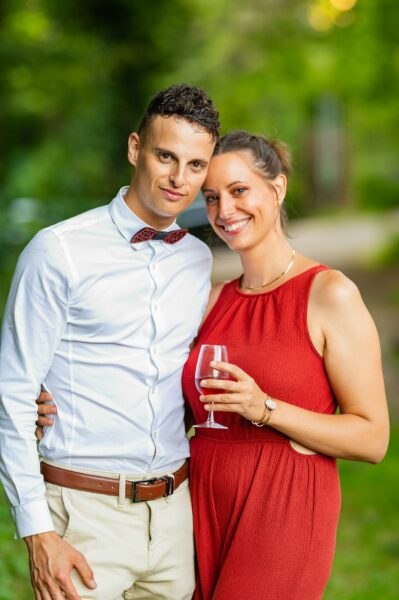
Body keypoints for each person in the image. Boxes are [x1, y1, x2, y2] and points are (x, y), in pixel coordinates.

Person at [0, 83, 219, 600]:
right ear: (134, 149)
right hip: (82, 515)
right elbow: (12, 390)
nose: (177, 178)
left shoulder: (197, 260)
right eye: (166, 156)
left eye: (195, 164)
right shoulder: (58, 252)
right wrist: (37, 531)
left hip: (173, 518)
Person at [180, 131, 390, 599]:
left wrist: (266, 408)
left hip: (283, 509)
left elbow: (373, 438)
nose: (224, 211)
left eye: (239, 191)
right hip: (201, 508)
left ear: (277, 188)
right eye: (211, 198)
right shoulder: (212, 302)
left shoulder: (328, 294)